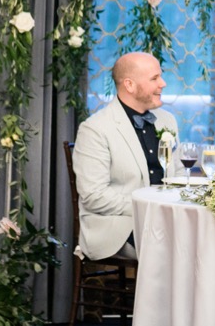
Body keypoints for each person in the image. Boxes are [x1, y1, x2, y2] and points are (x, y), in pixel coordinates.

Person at [72, 51, 179, 259]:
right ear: (129, 85)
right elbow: (94, 196)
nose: (163, 83)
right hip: (119, 225)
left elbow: (180, 172)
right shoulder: (95, 129)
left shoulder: (167, 121)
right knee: (178, 249)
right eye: (154, 78)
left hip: (167, 220)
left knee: (206, 239)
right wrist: (148, 207)